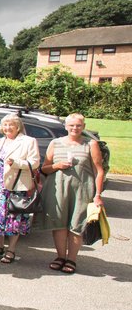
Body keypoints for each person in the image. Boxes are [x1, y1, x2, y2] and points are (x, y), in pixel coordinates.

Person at [37, 113, 106, 275]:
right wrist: (58, 165)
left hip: (82, 190)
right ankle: (60, 257)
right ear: (66, 127)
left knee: (76, 225)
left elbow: (99, 171)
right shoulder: (56, 143)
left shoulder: (91, 144)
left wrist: (97, 195)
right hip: (58, 189)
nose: (75, 128)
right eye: (72, 125)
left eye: (78, 125)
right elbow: (44, 168)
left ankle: (72, 259)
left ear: (83, 126)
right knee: (59, 224)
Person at [0, 113, 39, 264]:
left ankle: (11, 249)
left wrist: (17, 162)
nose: (8, 127)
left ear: (18, 126)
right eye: (5, 125)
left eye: (11, 124)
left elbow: (35, 162)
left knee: (13, 218)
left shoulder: (28, 141)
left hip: (15, 186)